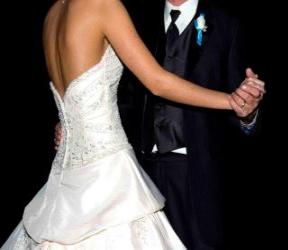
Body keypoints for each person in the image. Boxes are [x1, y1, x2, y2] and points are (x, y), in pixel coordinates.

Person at [1, 0, 264, 249]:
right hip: (113, 171)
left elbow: (80, 92)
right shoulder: (106, 6)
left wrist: (69, 122)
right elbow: (156, 83)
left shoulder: (53, 13)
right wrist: (231, 100)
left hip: (75, 173)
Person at [115, 0, 265, 249]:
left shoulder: (227, 24)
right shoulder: (133, 22)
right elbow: (124, 97)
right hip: (141, 173)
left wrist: (248, 111)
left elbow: (240, 104)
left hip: (199, 175)